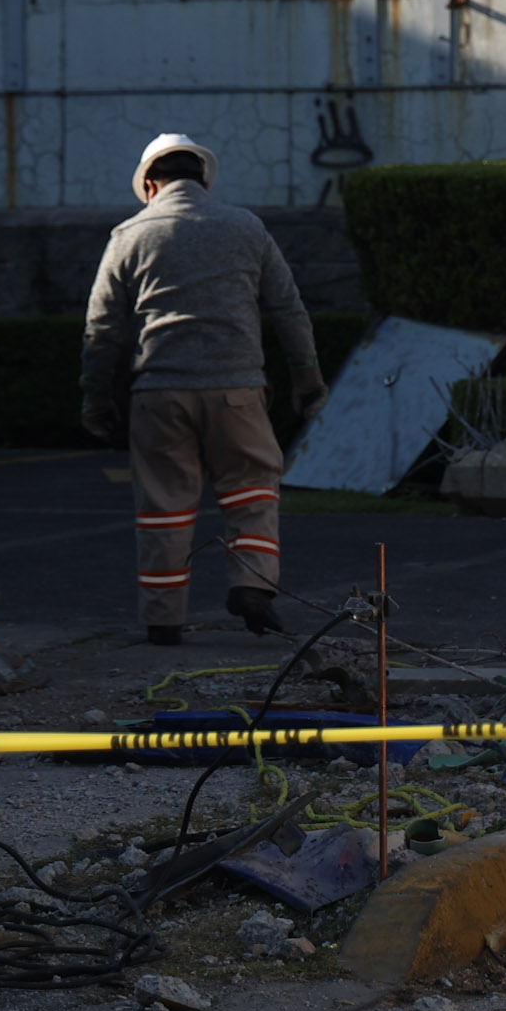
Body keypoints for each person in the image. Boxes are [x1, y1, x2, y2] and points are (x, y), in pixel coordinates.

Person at [79, 133, 329, 648]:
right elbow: (288, 309)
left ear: (150, 185)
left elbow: (101, 329)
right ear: (205, 181)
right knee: (253, 490)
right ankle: (252, 586)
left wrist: (96, 397)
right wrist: (307, 378)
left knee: (164, 506)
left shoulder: (128, 234)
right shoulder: (246, 227)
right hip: (238, 388)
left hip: (159, 393)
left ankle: (163, 619)